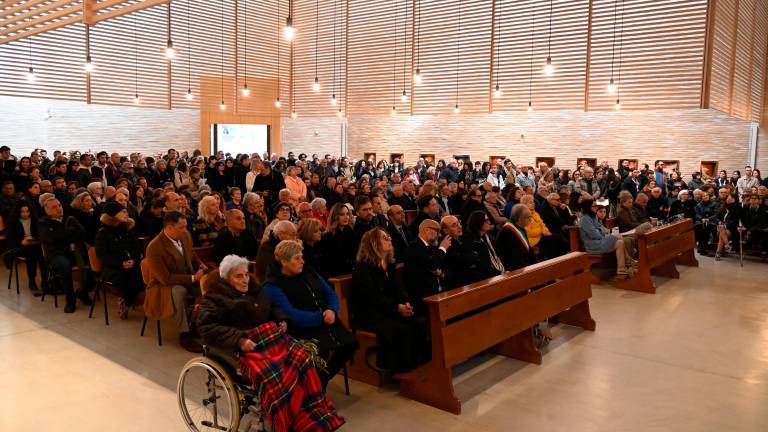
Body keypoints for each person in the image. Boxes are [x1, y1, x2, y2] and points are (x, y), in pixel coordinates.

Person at [197, 255, 344, 432]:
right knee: (272, 374)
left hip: (267, 339)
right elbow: (206, 327)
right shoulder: (214, 298)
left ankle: (310, 412)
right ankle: (286, 421)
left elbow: (272, 307)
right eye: (238, 276)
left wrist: (282, 319)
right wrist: (239, 339)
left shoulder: (256, 290)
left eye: (246, 274)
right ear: (227, 278)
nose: (245, 279)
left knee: (302, 358)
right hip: (241, 346)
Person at [263, 240, 358, 389]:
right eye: (297, 258)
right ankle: (317, 386)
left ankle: (322, 379)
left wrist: (332, 309)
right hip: (303, 328)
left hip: (327, 320)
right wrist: (321, 317)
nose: (302, 261)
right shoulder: (272, 284)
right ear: (284, 262)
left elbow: (330, 293)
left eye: (302, 257)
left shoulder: (308, 271)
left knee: (351, 342)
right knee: (320, 351)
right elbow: (291, 314)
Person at [351, 228, 426, 373]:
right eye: (385, 238)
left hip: (388, 308)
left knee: (417, 323)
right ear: (374, 243)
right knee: (399, 330)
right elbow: (372, 297)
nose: (390, 240)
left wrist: (405, 302)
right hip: (370, 312)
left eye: (389, 237)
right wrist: (397, 308)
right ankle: (400, 371)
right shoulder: (363, 267)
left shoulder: (389, 263)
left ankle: (417, 366)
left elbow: (397, 287)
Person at [144, 211, 207, 353]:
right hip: (163, 285)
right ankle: (184, 334)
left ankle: (197, 324)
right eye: (181, 227)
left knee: (209, 287)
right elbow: (165, 278)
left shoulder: (185, 235)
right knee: (180, 291)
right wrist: (193, 278)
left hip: (188, 277)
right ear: (169, 228)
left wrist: (200, 264)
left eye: (186, 226)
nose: (185, 230)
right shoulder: (154, 247)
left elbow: (192, 255)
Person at [38, 197, 93, 313]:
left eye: (59, 205)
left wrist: (62, 236)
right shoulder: (43, 223)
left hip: (73, 252)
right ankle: (70, 300)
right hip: (55, 254)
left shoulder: (70, 219)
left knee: (93, 264)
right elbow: (51, 239)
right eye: (54, 207)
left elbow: (83, 233)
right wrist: (70, 233)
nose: (59, 208)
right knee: (64, 265)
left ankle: (83, 292)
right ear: (47, 211)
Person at [94, 201, 144, 319]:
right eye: (123, 212)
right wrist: (121, 263)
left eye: (126, 211)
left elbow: (136, 249)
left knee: (141, 278)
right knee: (124, 280)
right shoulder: (103, 232)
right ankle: (127, 301)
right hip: (112, 267)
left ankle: (126, 301)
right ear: (113, 214)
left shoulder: (127, 228)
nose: (127, 214)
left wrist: (133, 260)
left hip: (131, 263)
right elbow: (102, 255)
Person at [404, 219, 452, 316]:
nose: (439, 235)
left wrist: (441, 273)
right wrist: (443, 248)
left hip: (440, 292)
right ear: (426, 230)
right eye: (437, 231)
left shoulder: (433, 247)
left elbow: (445, 268)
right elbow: (432, 265)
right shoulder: (415, 246)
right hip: (425, 298)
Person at [578, 198, 633, 279]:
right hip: (592, 244)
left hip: (600, 241)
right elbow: (595, 235)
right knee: (618, 237)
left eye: (596, 205)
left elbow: (604, 230)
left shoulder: (593, 217)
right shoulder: (585, 219)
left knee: (619, 242)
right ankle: (629, 262)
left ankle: (621, 269)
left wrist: (604, 233)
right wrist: (604, 234)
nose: (596, 207)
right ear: (588, 207)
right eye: (594, 206)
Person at [6, 201, 44, 291]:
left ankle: (45, 279)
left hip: (34, 244)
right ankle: (32, 280)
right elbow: (10, 240)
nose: (25, 214)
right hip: (20, 247)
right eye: (22, 211)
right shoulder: (14, 222)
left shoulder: (35, 220)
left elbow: (41, 235)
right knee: (32, 253)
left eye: (27, 211)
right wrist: (21, 242)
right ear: (18, 212)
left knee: (43, 254)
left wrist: (34, 239)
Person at [317, 203, 357, 278]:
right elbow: (329, 261)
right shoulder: (328, 236)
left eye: (347, 214)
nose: (346, 217)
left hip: (352, 271)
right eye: (342, 214)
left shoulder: (351, 232)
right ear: (335, 216)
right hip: (336, 274)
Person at [496, 204, 537, 271]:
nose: (531, 219)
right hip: (516, 269)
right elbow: (513, 256)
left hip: (526, 265)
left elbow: (529, 250)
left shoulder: (521, 228)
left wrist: (536, 264)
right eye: (529, 217)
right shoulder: (506, 233)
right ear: (520, 218)